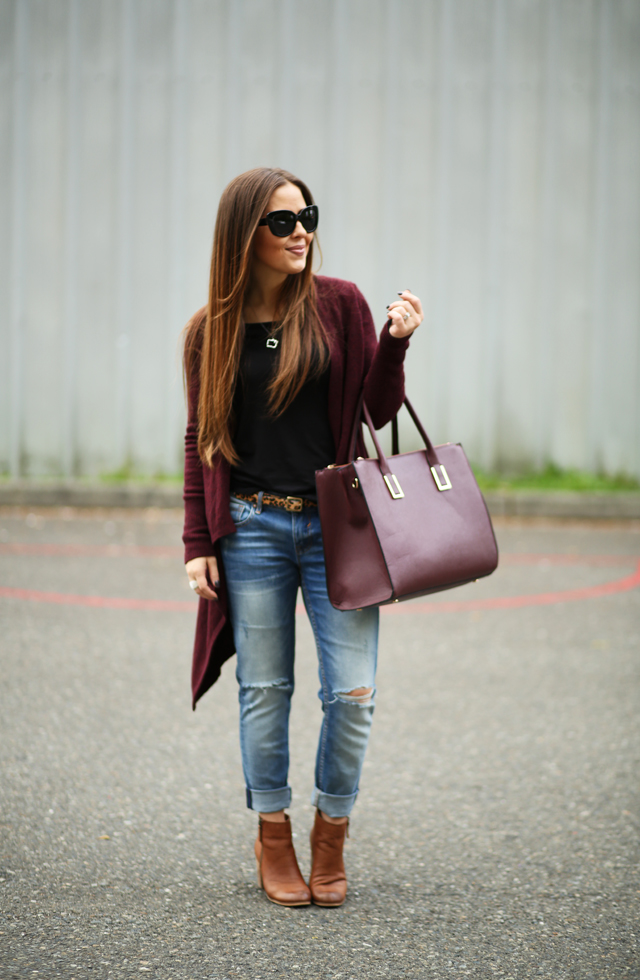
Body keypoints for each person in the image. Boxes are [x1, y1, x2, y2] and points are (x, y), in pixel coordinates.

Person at [182, 167, 422, 907]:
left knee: (352, 693)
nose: (301, 232)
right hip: (250, 527)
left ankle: (332, 834)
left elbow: (376, 413)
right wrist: (198, 542)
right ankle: (273, 831)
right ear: (244, 235)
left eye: (307, 216)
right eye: (282, 221)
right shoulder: (211, 331)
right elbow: (201, 440)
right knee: (265, 691)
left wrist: (394, 344)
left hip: (335, 527)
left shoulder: (340, 305)